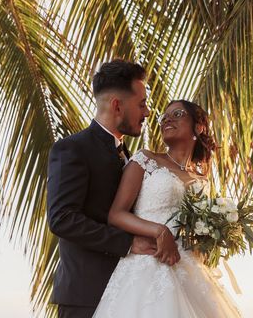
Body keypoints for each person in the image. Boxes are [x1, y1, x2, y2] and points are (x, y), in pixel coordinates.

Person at [47, 59, 178, 318]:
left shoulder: (132, 158)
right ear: (117, 105)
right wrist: (128, 243)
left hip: (132, 294)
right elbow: (62, 219)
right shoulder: (72, 149)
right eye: (141, 104)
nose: (148, 112)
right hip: (87, 296)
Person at [93, 100, 242, 317]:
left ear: (198, 127)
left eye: (177, 114)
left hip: (190, 270)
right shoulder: (145, 160)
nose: (166, 119)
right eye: (164, 117)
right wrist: (159, 231)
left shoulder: (202, 181)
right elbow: (116, 214)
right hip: (148, 264)